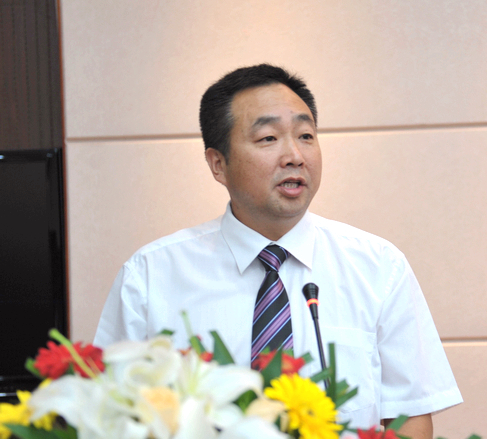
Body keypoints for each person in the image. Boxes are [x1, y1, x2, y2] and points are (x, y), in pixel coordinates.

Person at [94, 64, 462, 438]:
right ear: (218, 164)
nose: (294, 156)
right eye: (268, 138)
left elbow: (410, 414)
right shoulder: (150, 276)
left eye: (306, 136)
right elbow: (110, 415)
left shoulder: (379, 267)